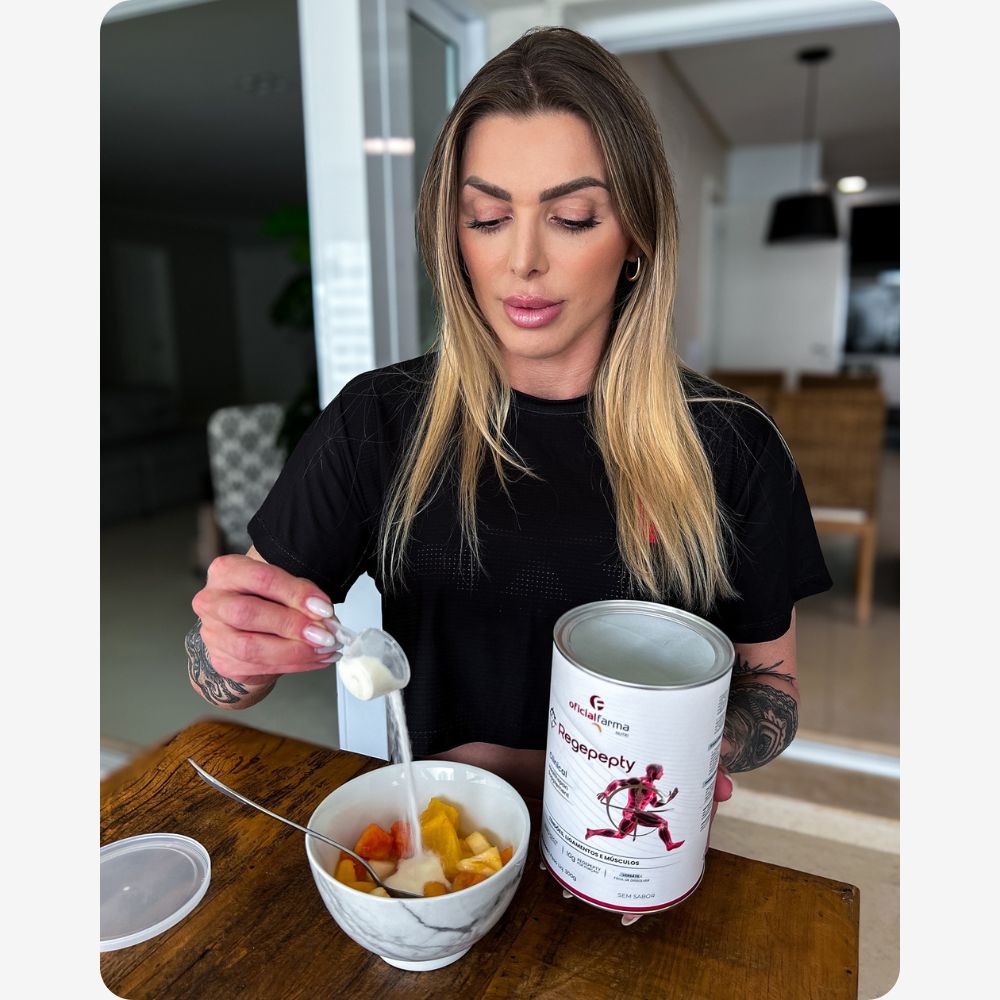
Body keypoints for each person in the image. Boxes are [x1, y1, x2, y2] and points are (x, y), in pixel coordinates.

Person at [186, 25, 832, 920]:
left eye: (573, 218)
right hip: (442, 862)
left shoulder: (733, 446)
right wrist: (231, 649)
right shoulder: (380, 423)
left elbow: (773, 695)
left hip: (630, 864)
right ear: (453, 235)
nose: (522, 259)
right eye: (487, 218)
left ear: (636, 237)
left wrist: (688, 749)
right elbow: (219, 670)